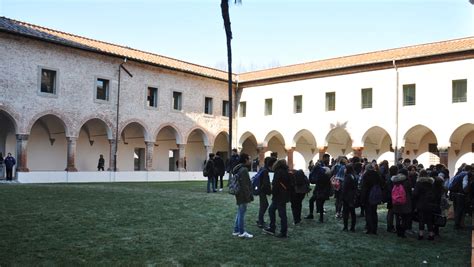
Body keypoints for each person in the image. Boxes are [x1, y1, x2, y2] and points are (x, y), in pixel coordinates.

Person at [263, 159, 290, 238]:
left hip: (278, 196)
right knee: (274, 211)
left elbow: (275, 183)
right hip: (283, 195)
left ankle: (281, 231)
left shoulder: (278, 171)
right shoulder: (286, 171)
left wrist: (273, 193)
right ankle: (273, 228)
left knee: (280, 213)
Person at [232, 153, 254, 238]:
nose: (250, 160)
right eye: (249, 158)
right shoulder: (244, 170)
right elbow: (245, 185)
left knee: (240, 212)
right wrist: (248, 196)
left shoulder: (239, 168)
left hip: (239, 193)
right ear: (245, 160)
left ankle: (236, 230)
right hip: (242, 194)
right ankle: (241, 232)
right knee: (241, 213)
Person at [412, 170, 436, 240]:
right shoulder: (431, 183)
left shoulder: (419, 183)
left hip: (421, 203)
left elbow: (415, 194)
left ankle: (421, 234)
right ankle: (431, 235)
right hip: (430, 203)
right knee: (429, 219)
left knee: (421, 219)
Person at [361, 163, 382, 235]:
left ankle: (369, 228)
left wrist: (362, 199)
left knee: (368, 213)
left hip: (368, 196)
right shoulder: (376, 174)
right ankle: (374, 229)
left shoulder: (366, 175)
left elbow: (364, 188)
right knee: (374, 212)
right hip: (375, 196)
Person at [391, 170, 412, 238]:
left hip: (396, 202)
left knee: (397, 218)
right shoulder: (406, 182)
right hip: (405, 202)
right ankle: (402, 233)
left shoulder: (394, 182)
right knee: (404, 218)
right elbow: (410, 193)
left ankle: (398, 232)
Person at [256, 156, 276, 228]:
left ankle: (260, 220)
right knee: (264, 205)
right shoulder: (265, 171)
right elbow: (266, 183)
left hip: (260, 190)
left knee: (263, 205)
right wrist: (269, 191)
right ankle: (260, 221)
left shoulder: (262, 169)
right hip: (262, 191)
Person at [341, 164, 357, 232]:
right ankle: (352, 227)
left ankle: (345, 227)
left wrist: (342, 197)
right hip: (352, 196)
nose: (344, 170)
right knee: (352, 212)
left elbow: (345, 188)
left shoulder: (347, 177)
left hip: (347, 197)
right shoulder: (353, 176)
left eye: (345, 169)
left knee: (346, 212)